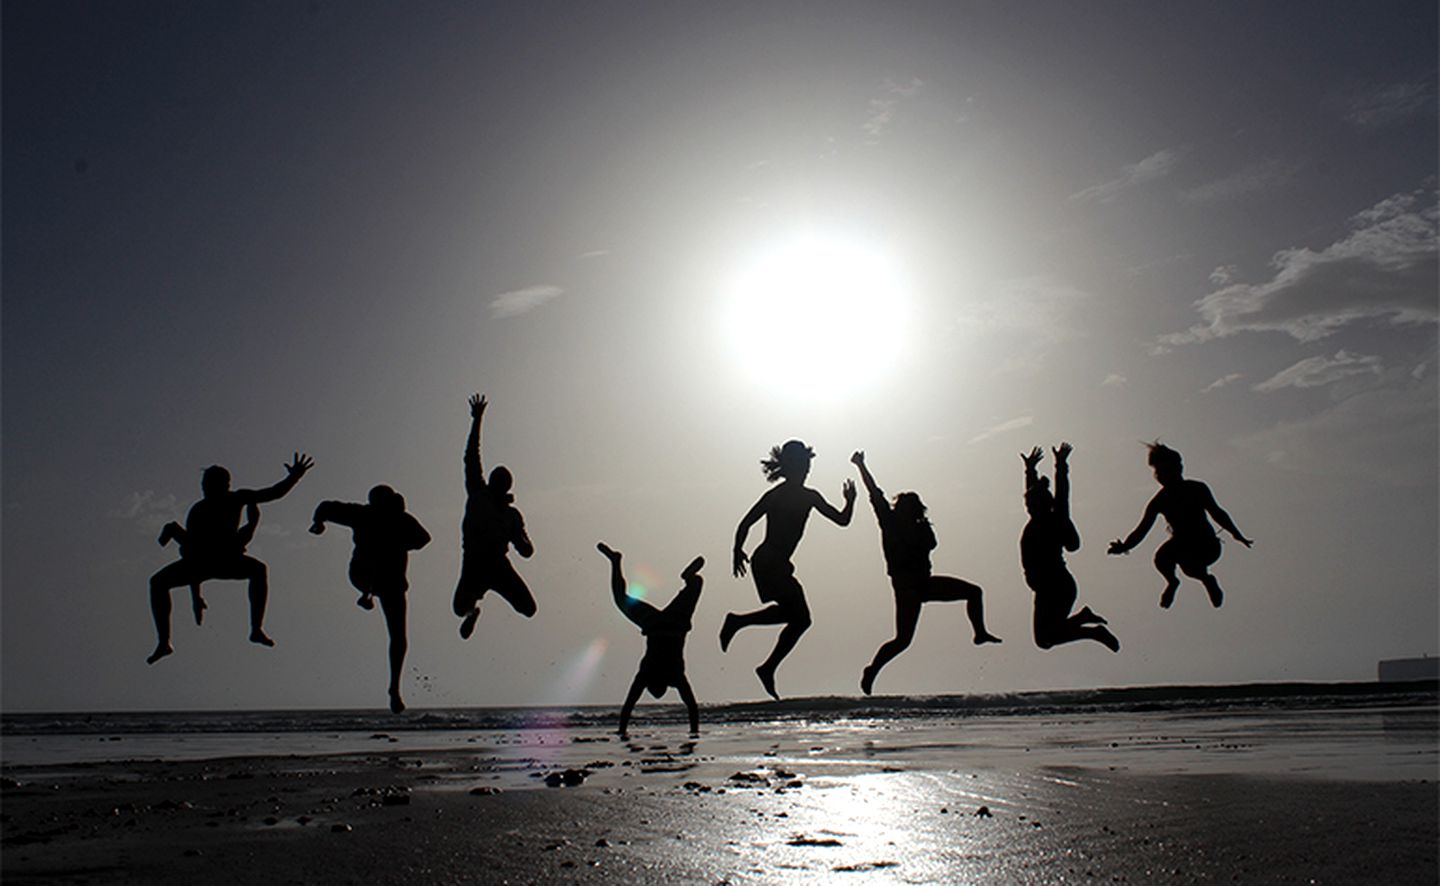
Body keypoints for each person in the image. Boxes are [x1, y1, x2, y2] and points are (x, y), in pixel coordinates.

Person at [850, 451, 1001, 696]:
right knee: (902, 640)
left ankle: (980, 633)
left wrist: (921, 529)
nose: (908, 512)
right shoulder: (889, 521)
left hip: (926, 583)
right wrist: (861, 465)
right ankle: (872, 670)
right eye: (905, 508)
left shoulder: (922, 529)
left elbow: (932, 543)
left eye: (912, 509)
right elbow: (874, 492)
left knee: (974, 592)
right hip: (906, 588)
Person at [147, 453, 314, 664]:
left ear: (224, 484)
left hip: (226, 559)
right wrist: (195, 596)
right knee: (157, 582)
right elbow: (192, 551)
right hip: (202, 562)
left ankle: (256, 629)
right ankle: (164, 642)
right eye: (204, 484)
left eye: (209, 483)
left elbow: (273, 493)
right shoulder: (198, 509)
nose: (205, 487)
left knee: (258, 569)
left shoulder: (236, 498)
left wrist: (294, 477)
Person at [720, 440, 855, 700]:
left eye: (808, 465)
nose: (807, 470)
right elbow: (745, 523)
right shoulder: (779, 495)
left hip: (776, 563)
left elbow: (842, 520)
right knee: (800, 618)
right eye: (803, 466)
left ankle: (762, 660)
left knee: (798, 618)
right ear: (791, 467)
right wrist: (736, 551)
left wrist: (850, 501)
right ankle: (745, 633)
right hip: (768, 561)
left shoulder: (809, 497)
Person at [311, 485, 431, 713]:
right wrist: (319, 523)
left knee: (399, 636)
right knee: (376, 550)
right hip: (361, 574)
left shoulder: (401, 518)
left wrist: (398, 535)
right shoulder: (362, 514)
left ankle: (394, 687)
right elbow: (325, 506)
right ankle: (367, 592)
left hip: (392, 583)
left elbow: (424, 539)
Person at [1108, 442, 1253, 608]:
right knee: (1162, 558)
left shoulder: (1196, 488)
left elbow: (1217, 513)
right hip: (1181, 545)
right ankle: (1173, 582)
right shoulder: (1159, 501)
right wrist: (1125, 546)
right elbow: (1142, 529)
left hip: (1206, 544)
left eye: (1164, 470)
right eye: (1158, 472)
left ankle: (1207, 580)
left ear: (1177, 469)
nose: (1161, 475)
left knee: (1189, 567)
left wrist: (1236, 534)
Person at [1020, 443, 1119, 652]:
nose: (1029, 509)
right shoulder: (1036, 518)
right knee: (1044, 640)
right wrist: (1030, 469)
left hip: (1057, 587)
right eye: (1028, 506)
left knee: (1048, 636)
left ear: (1045, 505)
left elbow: (1062, 494)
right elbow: (1033, 491)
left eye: (1033, 506)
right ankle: (1086, 620)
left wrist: (1061, 464)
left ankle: (1093, 630)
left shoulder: (1054, 518)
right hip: (1043, 588)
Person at [597, 543, 704, 736]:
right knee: (620, 599)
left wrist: (695, 731)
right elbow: (628, 706)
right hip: (655, 623)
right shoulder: (650, 674)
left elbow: (692, 707)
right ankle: (615, 562)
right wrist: (621, 729)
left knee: (697, 584)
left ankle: (689, 577)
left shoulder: (672, 676)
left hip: (674, 623)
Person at [453, 394, 535, 640]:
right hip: (475, 562)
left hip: (499, 566)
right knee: (459, 609)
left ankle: (475, 605)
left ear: (507, 487)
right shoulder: (478, 493)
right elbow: (471, 457)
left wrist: (520, 539)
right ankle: (473, 612)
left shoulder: (512, 515)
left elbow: (527, 550)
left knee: (529, 609)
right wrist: (477, 421)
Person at [157, 502, 259, 627]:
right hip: (203, 553)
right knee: (188, 547)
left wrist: (252, 503)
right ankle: (256, 628)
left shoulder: (240, 538)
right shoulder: (237, 536)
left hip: (208, 556)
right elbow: (195, 564)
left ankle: (256, 628)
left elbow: (195, 567)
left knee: (192, 551)